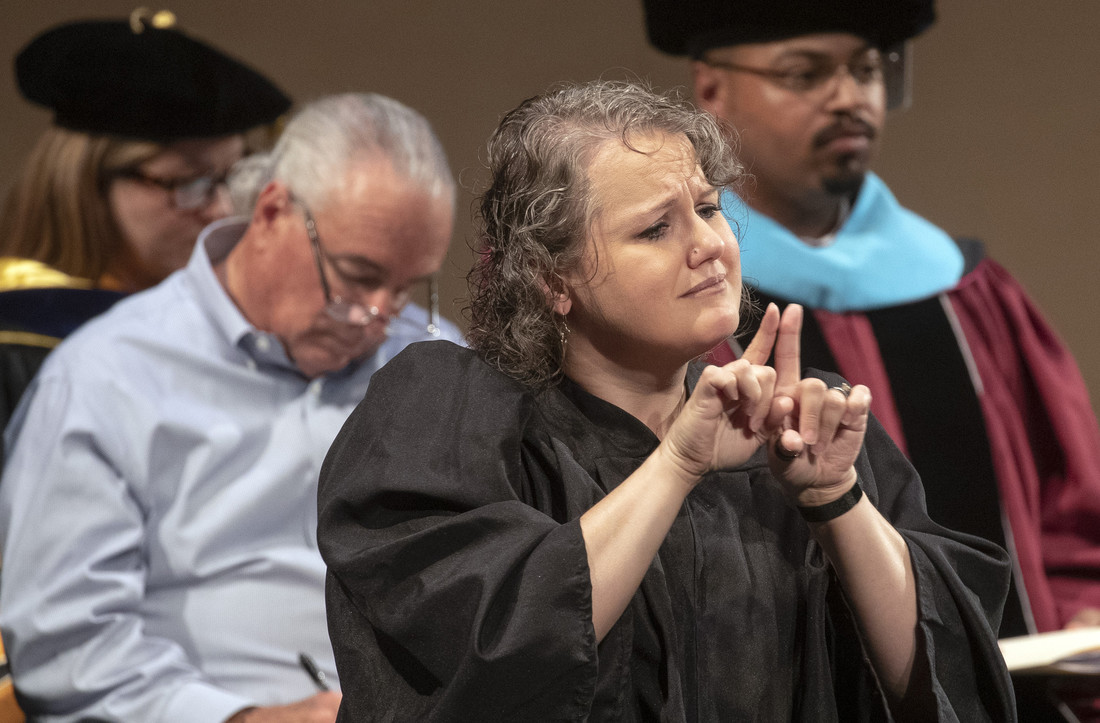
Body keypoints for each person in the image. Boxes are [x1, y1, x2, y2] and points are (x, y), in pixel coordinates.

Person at [317, 79, 1014, 721]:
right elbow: (494, 646)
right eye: (656, 228)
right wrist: (679, 462)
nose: (710, 245)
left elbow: (940, 676)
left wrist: (833, 497)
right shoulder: (452, 417)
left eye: (709, 209)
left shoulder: (798, 420)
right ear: (551, 277)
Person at [640, 0, 1100, 718]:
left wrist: (1086, 612)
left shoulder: (963, 290)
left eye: (865, 69)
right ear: (712, 88)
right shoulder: (677, 302)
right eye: (806, 72)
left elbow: (1069, 508)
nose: (850, 95)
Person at [0, 91, 464, 722]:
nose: (379, 317)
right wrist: (242, 718)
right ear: (272, 210)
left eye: (407, 286)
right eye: (357, 275)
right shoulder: (105, 377)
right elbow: (69, 646)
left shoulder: (436, 363)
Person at [0, 10, 291, 430]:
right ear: (88, 188)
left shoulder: (240, 333)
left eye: (233, 178)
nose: (223, 210)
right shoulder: (22, 338)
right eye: (190, 183)